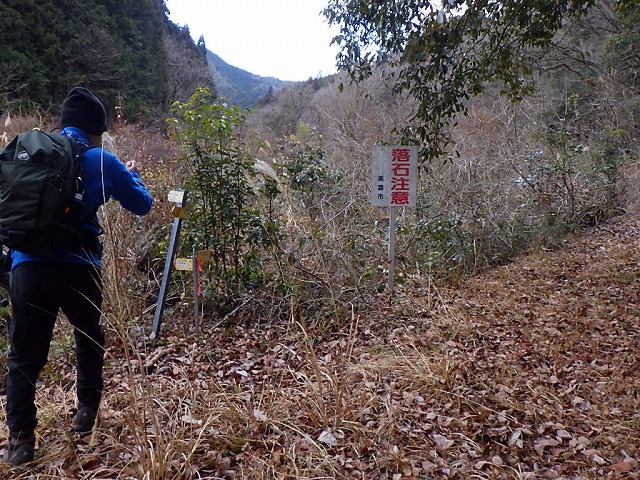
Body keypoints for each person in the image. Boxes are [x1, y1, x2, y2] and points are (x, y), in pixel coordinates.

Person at [2, 87, 153, 467]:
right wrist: (131, 175)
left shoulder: (30, 153)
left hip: (27, 268)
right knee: (88, 338)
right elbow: (143, 204)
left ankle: (20, 442)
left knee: (23, 355)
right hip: (79, 268)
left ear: (63, 123)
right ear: (96, 130)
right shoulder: (101, 159)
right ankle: (86, 414)